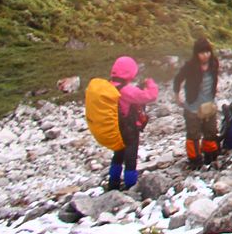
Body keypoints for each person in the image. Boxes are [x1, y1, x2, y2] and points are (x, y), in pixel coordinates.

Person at [85, 55, 158, 191]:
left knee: (117, 156)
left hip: (116, 128)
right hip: (129, 130)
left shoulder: (109, 87)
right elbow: (150, 96)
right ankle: (131, 185)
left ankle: (113, 183)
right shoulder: (127, 90)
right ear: (130, 73)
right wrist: (150, 83)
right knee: (130, 158)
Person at [172, 38, 222, 168]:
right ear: (196, 54)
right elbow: (178, 79)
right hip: (193, 105)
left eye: (207, 52)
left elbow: (215, 79)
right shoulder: (190, 66)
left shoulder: (213, 63)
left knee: (210, 131)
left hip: (209, 104)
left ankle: (210, 155)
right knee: (193, 134)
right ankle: (195, 159)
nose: (205, 55)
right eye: (202, 53)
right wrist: (177, 96)